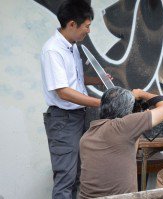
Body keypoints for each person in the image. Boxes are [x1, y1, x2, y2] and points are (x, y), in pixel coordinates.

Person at [41, 1, 104, 198]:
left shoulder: (72, 46)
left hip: (77, 116)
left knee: (78, 175)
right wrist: (101, 102)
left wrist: (98, 81)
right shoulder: (53, 50)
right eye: (87, 26)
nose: (89, 31)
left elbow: (73, 79)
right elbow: (64, 91)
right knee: (65, 178)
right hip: (63, 120)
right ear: (71, 24)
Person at [79, 87, 163, 198]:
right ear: (127, 111)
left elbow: (130, 153)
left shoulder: (88, 135)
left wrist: (138, 121)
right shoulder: (123, 126)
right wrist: (141, 93)